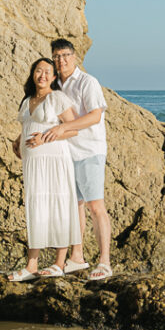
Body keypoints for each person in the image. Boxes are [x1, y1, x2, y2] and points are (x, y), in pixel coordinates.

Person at [40, 38, 112, 280]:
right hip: (65, 153)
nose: (62, 60)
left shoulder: (87, 82)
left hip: (90, 151)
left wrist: (64, 127)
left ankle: (104, 262)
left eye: (65, 55)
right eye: (57, 56)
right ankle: (77, 257)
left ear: (75, 56)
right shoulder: (55, 84)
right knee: (74, 208)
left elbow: (94, 117)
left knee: (95, 206)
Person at [9, 57, 81, 281]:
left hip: (54, 160)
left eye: (47, 72)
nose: (42, 75)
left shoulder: (57, 97)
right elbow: (28, 125)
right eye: (39, 71)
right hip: (32, 164)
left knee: (58, 205)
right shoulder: (28, 100)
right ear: (33, 74)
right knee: (36, 207)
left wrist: (45, 138)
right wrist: (18, 140)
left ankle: (59, 263)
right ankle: (32, 266)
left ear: (54, 77)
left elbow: (72, 129)